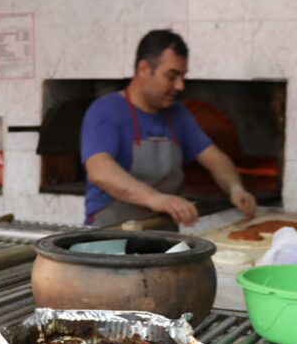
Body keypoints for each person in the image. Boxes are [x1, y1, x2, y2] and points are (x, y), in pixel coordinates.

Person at [81, 30, 257, 227]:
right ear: (144, 69)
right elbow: (99, 170)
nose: (180, 85)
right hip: (110, 237)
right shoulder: (106, 110)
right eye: (172, 76)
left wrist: (236, 189)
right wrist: (156, 199)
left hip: (162, 236)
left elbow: (215, 159)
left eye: (182, 76)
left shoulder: (178, 114)